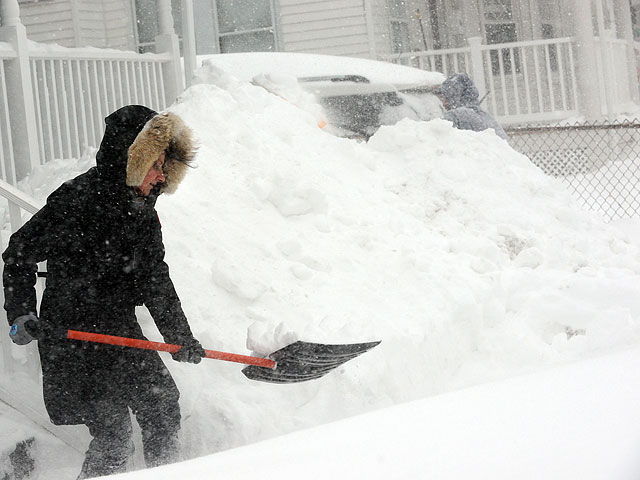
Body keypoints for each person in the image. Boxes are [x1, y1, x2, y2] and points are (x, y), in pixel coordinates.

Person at [3, 105, 206, 479]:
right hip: (72, 337)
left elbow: (154, 277)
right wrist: (20, 313)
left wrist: (180, 337)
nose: (161, 177)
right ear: (134, 158)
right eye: (156, 165)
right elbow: (19, 254)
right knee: (114, 434)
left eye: (165, 167)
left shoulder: (142, 208)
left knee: (162, 407)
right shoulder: (77, 200)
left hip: (118, 329)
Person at [436, 73, 509, 141]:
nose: (443, 104)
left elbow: (434, 131)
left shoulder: (456, 115)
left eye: (446, 98)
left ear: (454, 96)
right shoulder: (488, 119)